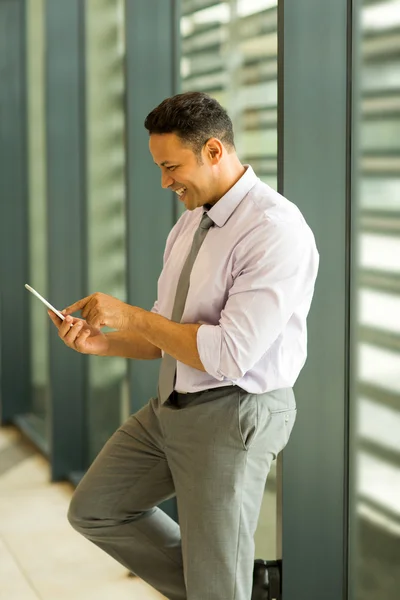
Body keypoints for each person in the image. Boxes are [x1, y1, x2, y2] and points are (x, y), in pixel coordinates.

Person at [48, 91, 319, 600]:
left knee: (217, 580)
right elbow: (163, 335)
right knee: (97, 509)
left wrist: (131, 316)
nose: (165, 181)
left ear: (214, 151)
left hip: (235, 411)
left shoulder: (274, 230)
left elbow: (230, 354)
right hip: (172, 405)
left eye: (171, 167)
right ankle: (240, 587)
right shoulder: (190, 223)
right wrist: (101, 344)